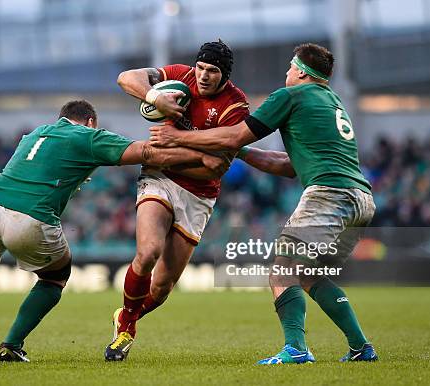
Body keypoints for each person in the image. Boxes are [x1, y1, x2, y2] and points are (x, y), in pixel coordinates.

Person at [0, 100, 229, 364]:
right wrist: (202, 153)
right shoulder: (87, 136)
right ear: (90, 121)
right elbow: (146, 152)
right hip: (28, 219)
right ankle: (12, 345)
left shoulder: (34, 134)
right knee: (57, 275)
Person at [149, 43, 378, 364]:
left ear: (300, 71)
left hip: (329, 194)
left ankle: (296, 349)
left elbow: (232, 136)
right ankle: (361, 348)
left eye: (290, 66)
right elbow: (285, 165)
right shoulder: (332, 101)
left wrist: (177, 138)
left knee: (282, 270)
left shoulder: (290, 96)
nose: (286, 71)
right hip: (361, 200)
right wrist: (239, 152)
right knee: (309, 275)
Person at [105, 39, 295, 361]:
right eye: (201, 68)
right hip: (159, 178)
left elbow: (216, 164)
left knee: (162, 287)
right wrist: (156, 99)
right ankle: (127, 326)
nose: (204, 76)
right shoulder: (181, 77)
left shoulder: (236, 107)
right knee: (147, 252)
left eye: (213, 71)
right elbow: (126, 78)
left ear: (225, 76)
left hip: (199, 195)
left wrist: (174, 143)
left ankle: (126, 315)